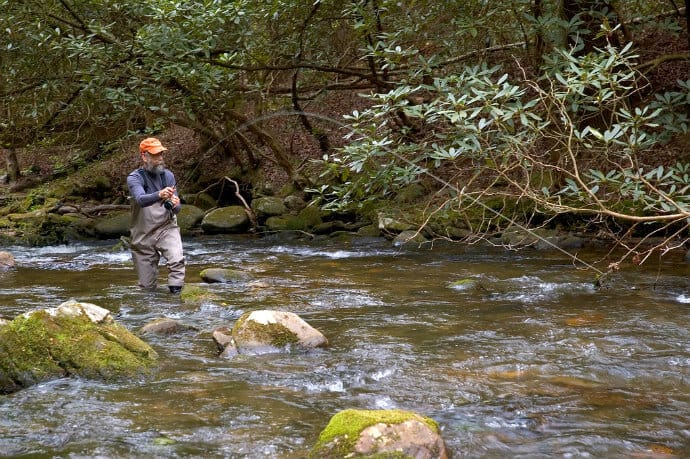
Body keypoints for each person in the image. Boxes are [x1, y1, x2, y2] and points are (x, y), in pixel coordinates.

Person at [126, 137, 185, 293]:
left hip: (166, 228)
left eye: (161, 154)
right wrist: (160, 194)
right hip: (143, 235)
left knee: (177, 260)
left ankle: (176, 301)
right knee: (147, 287)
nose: (160, 158)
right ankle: (151, 314)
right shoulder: (134, 178)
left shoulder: (168, 176)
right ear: (144, 157)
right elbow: (140, 200)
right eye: (155, 155)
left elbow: (177, 209)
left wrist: (175, 203)